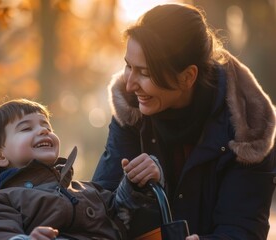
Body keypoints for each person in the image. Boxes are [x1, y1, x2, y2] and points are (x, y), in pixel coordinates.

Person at [92, 3, 276, 240]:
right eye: (128, 66)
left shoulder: (248, 133)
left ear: (188, 76)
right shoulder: (132, 111)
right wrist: (137, 189)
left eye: (145, 73)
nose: (129, 84)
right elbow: (100, 210)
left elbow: (242, 230)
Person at [0, 98, 163, 240]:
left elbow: (122, 212)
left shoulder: (85, 189)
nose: (43, 130)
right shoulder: (2, 201)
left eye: (47, 127)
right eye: (26, 128)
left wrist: (135, 182)